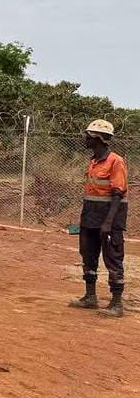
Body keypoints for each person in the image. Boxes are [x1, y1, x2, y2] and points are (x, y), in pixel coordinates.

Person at [69, 119, 128, 317]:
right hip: (90, 216)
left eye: (88, 136)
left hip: (109, 218)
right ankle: (90, 297)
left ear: (98, 139)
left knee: (113, 257)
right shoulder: (94, 161)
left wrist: (108, 223)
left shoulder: (115, 161)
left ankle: (116, 303)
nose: (84, 138)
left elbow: (118, 194)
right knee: (88, 254)